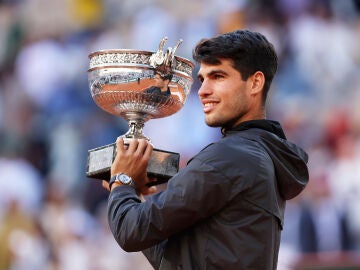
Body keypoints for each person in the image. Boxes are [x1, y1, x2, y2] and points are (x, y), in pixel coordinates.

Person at [102, 29, 309, 269]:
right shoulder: (258, 154)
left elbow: (131, 232)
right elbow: (174, 258)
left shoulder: (230, 157)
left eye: (218, 76)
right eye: (202, 79)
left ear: (255, 82)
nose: (202, 91)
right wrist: (135, 194)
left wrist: (121, 181)